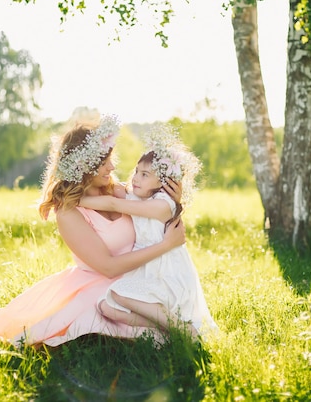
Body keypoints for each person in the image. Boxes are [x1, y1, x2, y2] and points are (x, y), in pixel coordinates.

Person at [0, 113, 185, 347]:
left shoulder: (118, 192)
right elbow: (108, 267)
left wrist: (175, 202)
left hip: (139, 276)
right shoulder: (69, 213)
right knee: (122, 324)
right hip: (99, 284)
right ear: (84, 165)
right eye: (104, 161)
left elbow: (158, 217)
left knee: (168, 314)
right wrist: (165, 246)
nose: (112, 166)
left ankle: (176, 327)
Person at [79, 124, 219, 338]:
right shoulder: (138, 196)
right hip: (144, 268)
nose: (136, 178)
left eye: (145, 175)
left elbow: (114, 203)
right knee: (107, 306)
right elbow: (114, 190)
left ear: (163, 182)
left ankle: (185, 331)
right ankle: (166, 328)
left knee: (118, 294)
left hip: (165, 271)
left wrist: (75, 201)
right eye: (136, 171)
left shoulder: (163, 204)